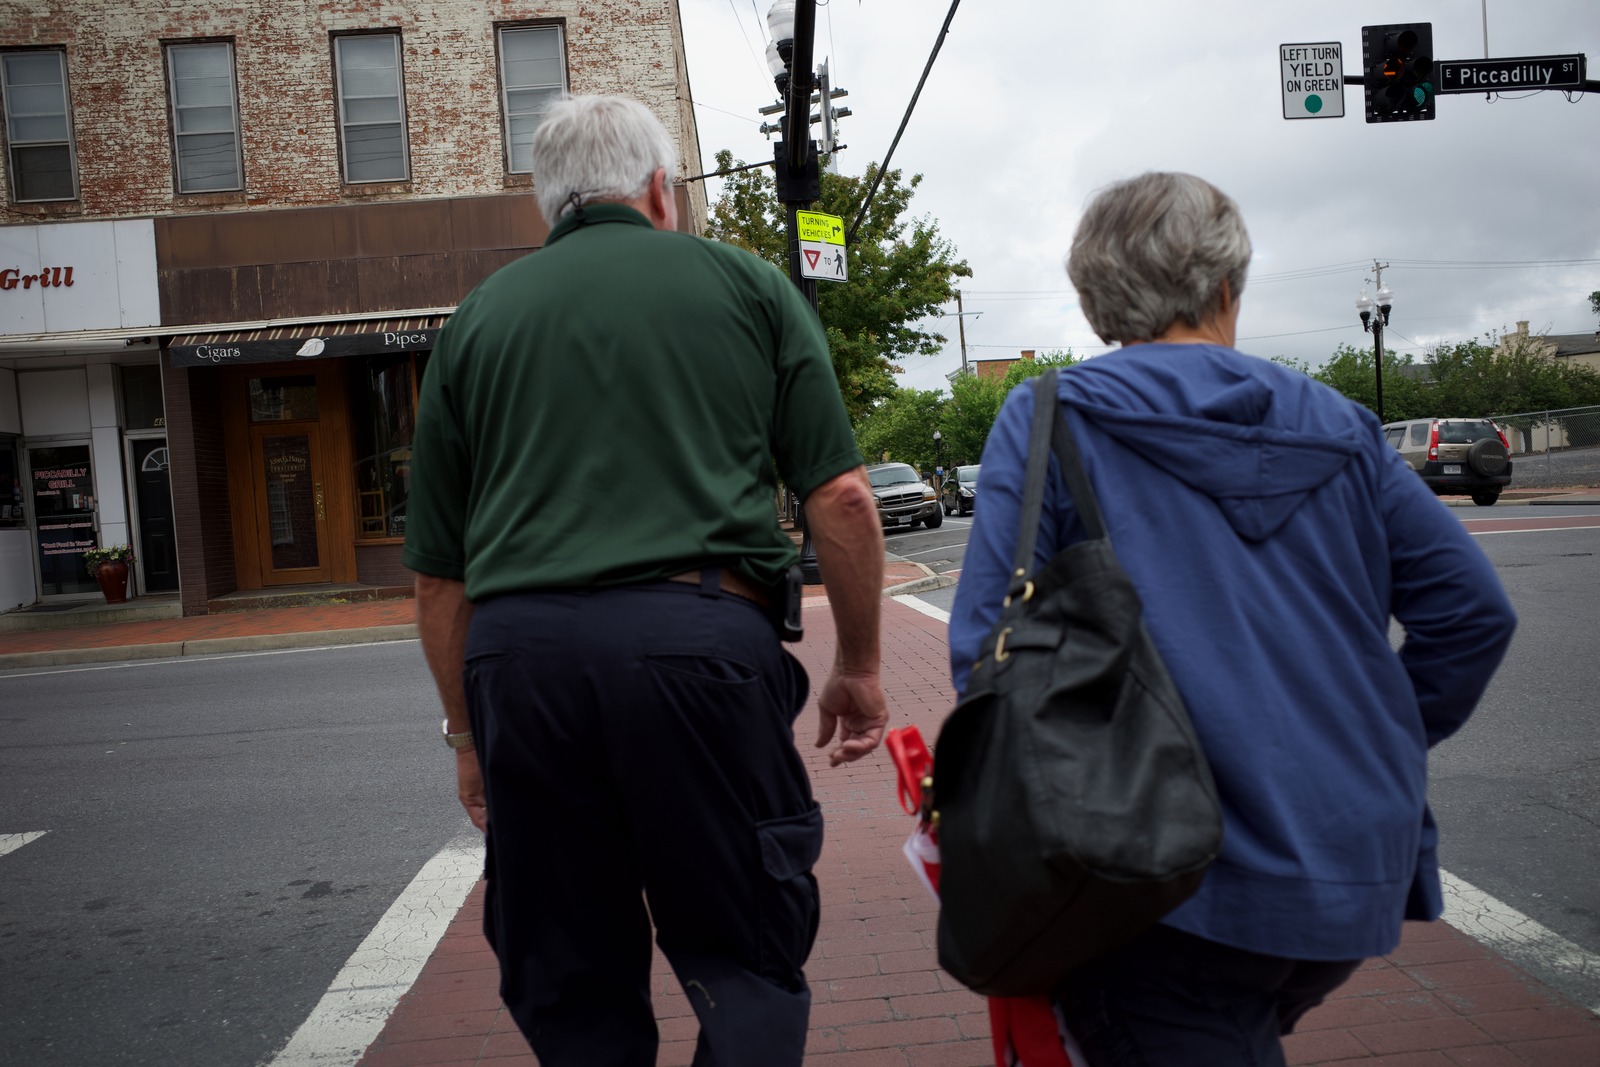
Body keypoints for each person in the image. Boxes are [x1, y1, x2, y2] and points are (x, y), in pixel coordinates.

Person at [947, 172, 1516, 1065]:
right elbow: (1472, 613)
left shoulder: (1053, 416)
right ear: (1225, 287)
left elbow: (987, 645)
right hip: (1343, 866)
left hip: (1155, 869)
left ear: (1099, 305)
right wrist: (1380, 735)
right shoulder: (1341, 425)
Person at [402, 94, 888, 1067]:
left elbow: (436, 581)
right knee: (743, 945)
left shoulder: (477, 321)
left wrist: (465, 736)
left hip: (523, 663)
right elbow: (839, 498)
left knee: (568, 964)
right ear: (661, 188)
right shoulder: (748, 286)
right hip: (699, 644)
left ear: (547, 205)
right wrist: (861, 665)